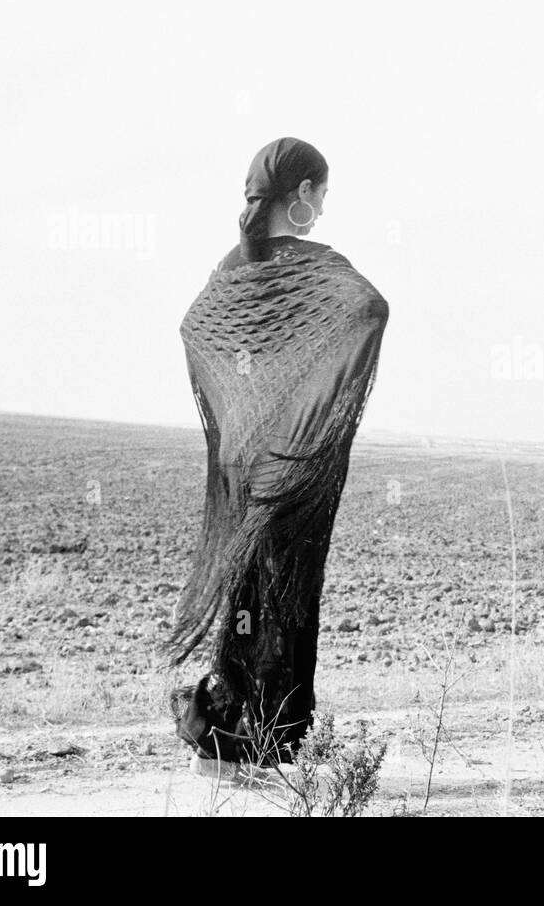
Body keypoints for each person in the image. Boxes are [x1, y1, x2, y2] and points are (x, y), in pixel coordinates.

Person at [168, 137, 389, 771]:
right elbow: (372, 308)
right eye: (319, 195)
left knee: (247, 592)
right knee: (286, 596)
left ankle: (229, 732)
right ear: (300, 194)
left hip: (244, 466)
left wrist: (242, 412)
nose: (321, 209)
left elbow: (195, 324)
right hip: (293, 465)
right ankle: (271, 739)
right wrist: (305, 412)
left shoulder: (231, 269)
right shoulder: (318, 270)